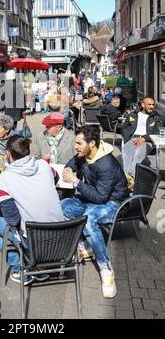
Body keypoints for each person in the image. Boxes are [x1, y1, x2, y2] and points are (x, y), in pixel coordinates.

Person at [61, 125, 129, 299]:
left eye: (79, 143)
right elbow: (72, 163)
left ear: (91, 143)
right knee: (64, 206)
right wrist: (68, 169)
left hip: (115, 203)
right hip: (95, 198)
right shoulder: (85, 155)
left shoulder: (106, 164)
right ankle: (87, 246)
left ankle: (106, 269)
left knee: (89, 218)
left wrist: (76, 182)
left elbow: (100, 198)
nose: (75, 147)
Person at [0, 136, 65, 285]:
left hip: (34, 240)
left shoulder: (4, 179)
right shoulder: (44, 166)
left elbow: (12, 219)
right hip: (61, 237)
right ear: (28, 151)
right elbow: (54, 178)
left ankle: (20, 270)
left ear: (8, 154)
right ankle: (39, 267)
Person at [121, 97, 163, 179]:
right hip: (132, 139)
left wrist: (144, 138)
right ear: (143, 105)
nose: (151, 106)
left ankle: (133, 178)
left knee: (138, 155)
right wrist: (127, 137)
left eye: (153, 104)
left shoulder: (156, 117)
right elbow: (123, 128)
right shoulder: (133, 115)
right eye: (149, 104)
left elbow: (157, 131)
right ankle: (128, 177)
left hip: (148, 141)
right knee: (127, 153)